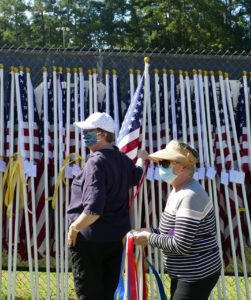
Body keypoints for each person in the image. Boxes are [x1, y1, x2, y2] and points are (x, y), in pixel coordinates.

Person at [67, 112, 146, 300]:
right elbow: (136, 175)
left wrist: (74, 227)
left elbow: (93, 209)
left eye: (88, 131)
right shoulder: (121, 159)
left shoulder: (96, 162)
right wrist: (142, 158)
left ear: (102, 135)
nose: (84, 135)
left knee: (90, 294)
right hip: (116, 239)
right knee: (110, 293)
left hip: (91, 242)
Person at [133, 140, 221, 300]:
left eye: (165, 163)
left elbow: (181, 245)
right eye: (160, 162)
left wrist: (148, 237)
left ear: (184, 168)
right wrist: (150, 231)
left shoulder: (189, 195)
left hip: (196, 274)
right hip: (186, 272)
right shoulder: (179, 190)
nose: (160, 166)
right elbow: (173, 232)